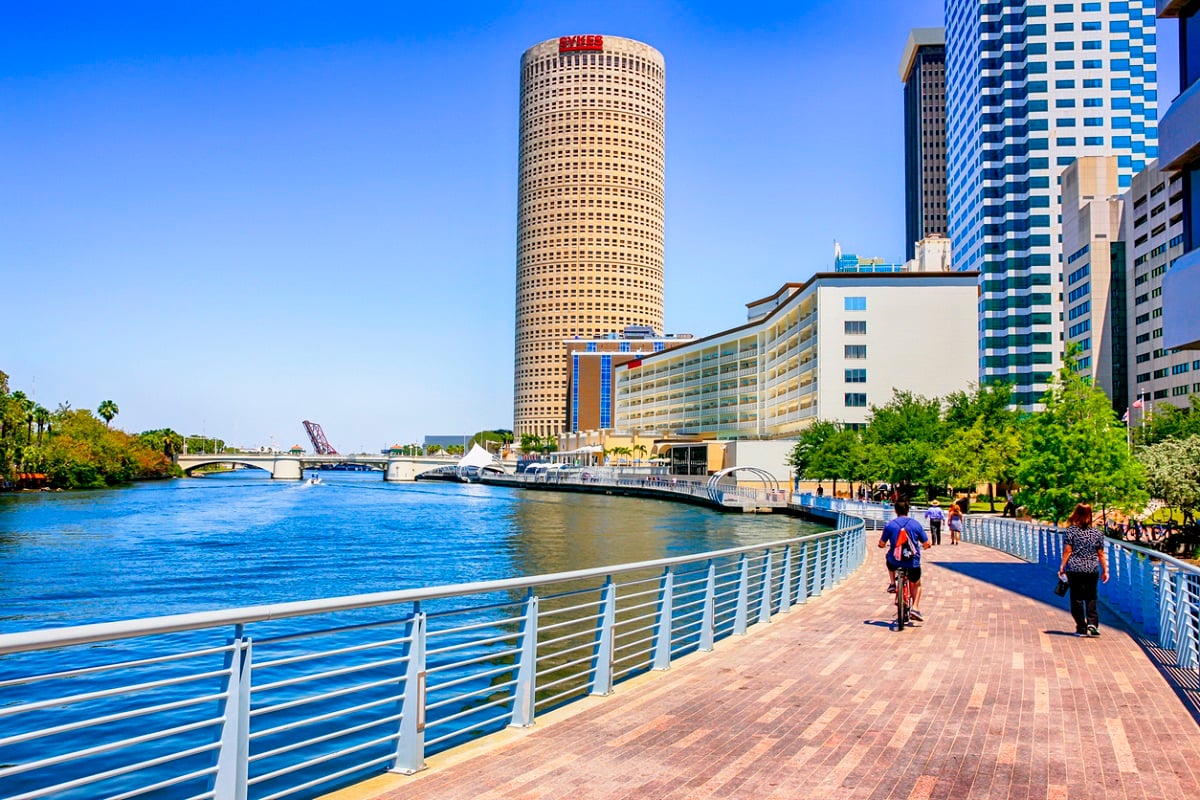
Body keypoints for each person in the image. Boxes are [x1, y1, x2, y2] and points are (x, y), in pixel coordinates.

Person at [1058, 502, 1109, 636]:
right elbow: (1100, 553)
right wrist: (1105, 570)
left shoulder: (1071, 531)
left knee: (1077, 598)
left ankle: (1081, 628)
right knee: (1091, 596)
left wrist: (1062, 566)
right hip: (1092, 569)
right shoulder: (1097, 533)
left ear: (1076, 514)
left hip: (1074, 569)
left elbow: (1068, 551)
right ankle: (1092, 623)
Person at [879, 499, 930, 621]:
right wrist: (925, 546)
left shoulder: (890, 525)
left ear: (895, 510)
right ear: (908, 510)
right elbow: (927, 543)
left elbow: (881, 543)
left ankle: (892, 584)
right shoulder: (916, 524)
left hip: (895, 561)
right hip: (912, 562)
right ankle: (915, 608)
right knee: (916, 584)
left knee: (888, 558)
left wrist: (882, 545)